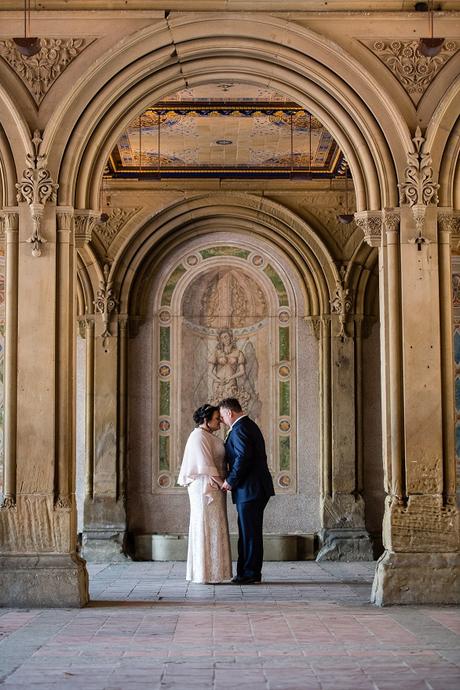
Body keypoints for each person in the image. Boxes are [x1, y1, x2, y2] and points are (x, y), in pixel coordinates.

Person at [219, 397, 275, 584]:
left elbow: (243, 457)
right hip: (253, 488)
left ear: (229, 413)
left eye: (221, 416)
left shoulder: (241, 428)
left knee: (249, 532)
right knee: (249, 532)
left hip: (250, 489)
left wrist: (230, 481)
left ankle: (250, 574)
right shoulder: (246, 426)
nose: (221, 421)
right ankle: (247, 572)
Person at [178, 404, 232, 584]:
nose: (220, 421)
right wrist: (223, 483)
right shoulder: (198, 436)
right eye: (217, 418)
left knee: (216, 524)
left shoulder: (209, 435)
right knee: (204, 524)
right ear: (205, 420)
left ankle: (218, 572)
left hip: (215, 485)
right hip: (204, 487)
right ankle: (203, 573)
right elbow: (205, 464)